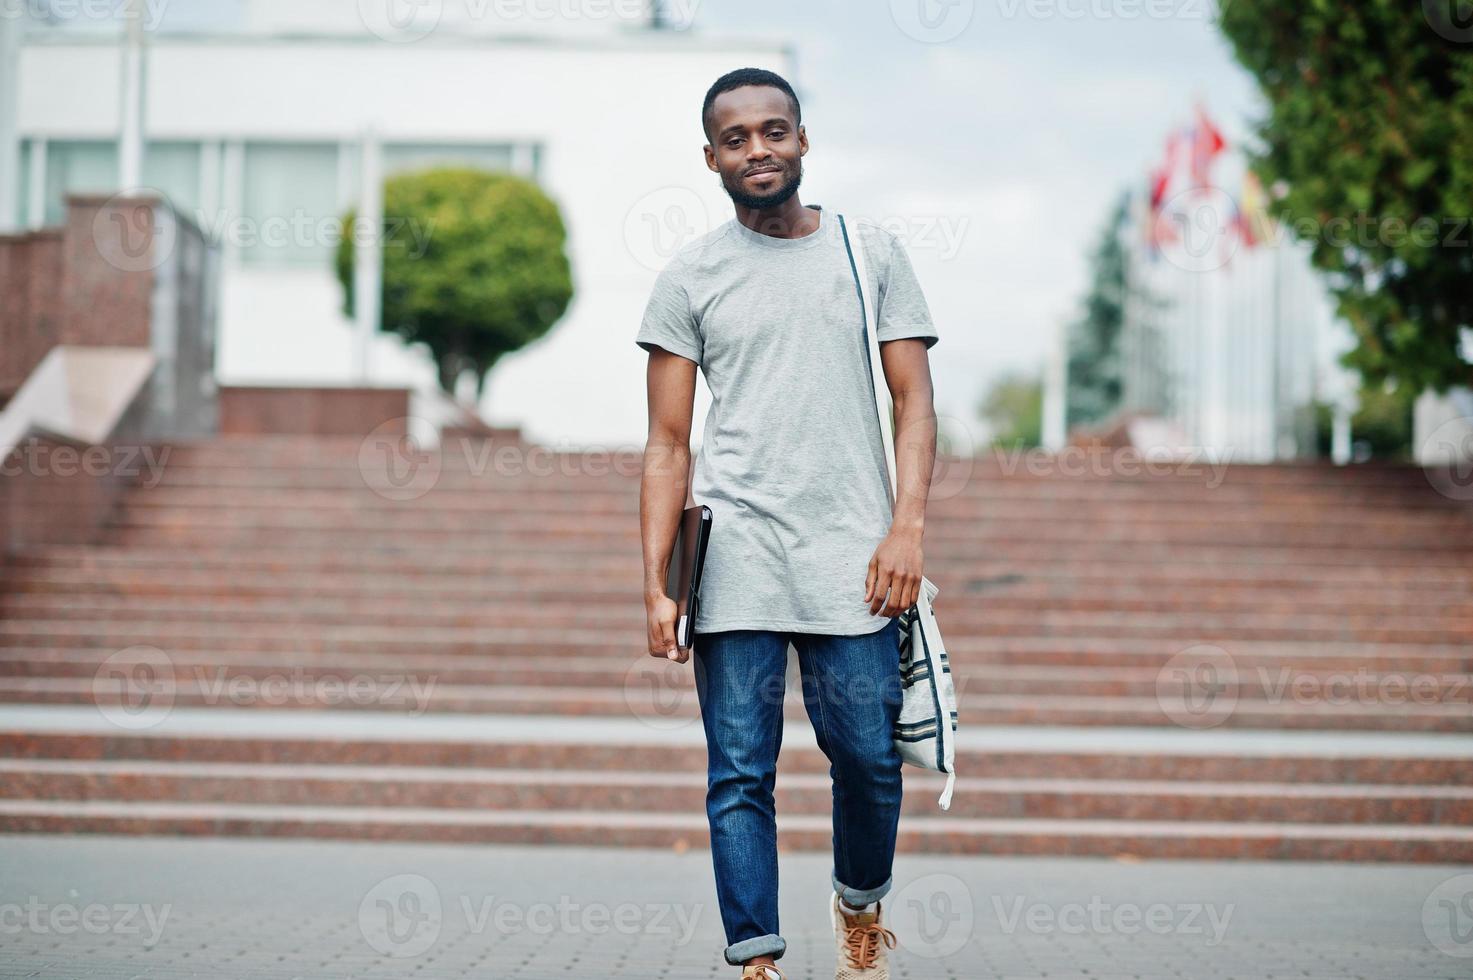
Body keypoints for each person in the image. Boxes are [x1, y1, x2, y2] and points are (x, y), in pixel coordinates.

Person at [636, 66, 939, 980]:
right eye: (736, 139)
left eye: (774, 131)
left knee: (867, 759)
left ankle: (858, 904)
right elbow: (664, 444)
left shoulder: (869, 252)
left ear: (802, 140)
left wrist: (907, 528)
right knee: (738, 774)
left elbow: (914, 404)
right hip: (737, 557)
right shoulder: (689, 275)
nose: (757, 150)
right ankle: (756, 960)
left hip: (855, 556)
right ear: (710, 157)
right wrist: (654, 584)